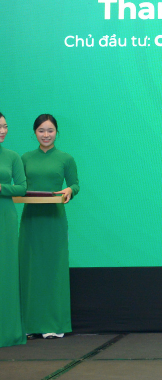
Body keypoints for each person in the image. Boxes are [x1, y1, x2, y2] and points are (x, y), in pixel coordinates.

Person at [19, 114, 80, 338]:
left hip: (55, 219)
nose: (46, 135)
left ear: (57, 132)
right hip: (31, 219)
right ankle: (30, 325)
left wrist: (69, 190)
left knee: (54, 269)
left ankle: (54, 325)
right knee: (31, 269)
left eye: (50, 130)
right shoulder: (25, 158)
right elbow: (19, 186)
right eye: (41, 130)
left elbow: (75, 184)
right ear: (35, 133)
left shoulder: (66, 158)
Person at [0, 112, 27, 348]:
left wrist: (1, 188)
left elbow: (21, 188)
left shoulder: (12, 156)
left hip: (5, 216)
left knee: (5, 269)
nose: (2, 131)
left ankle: (8, 332)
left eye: (5, 126)